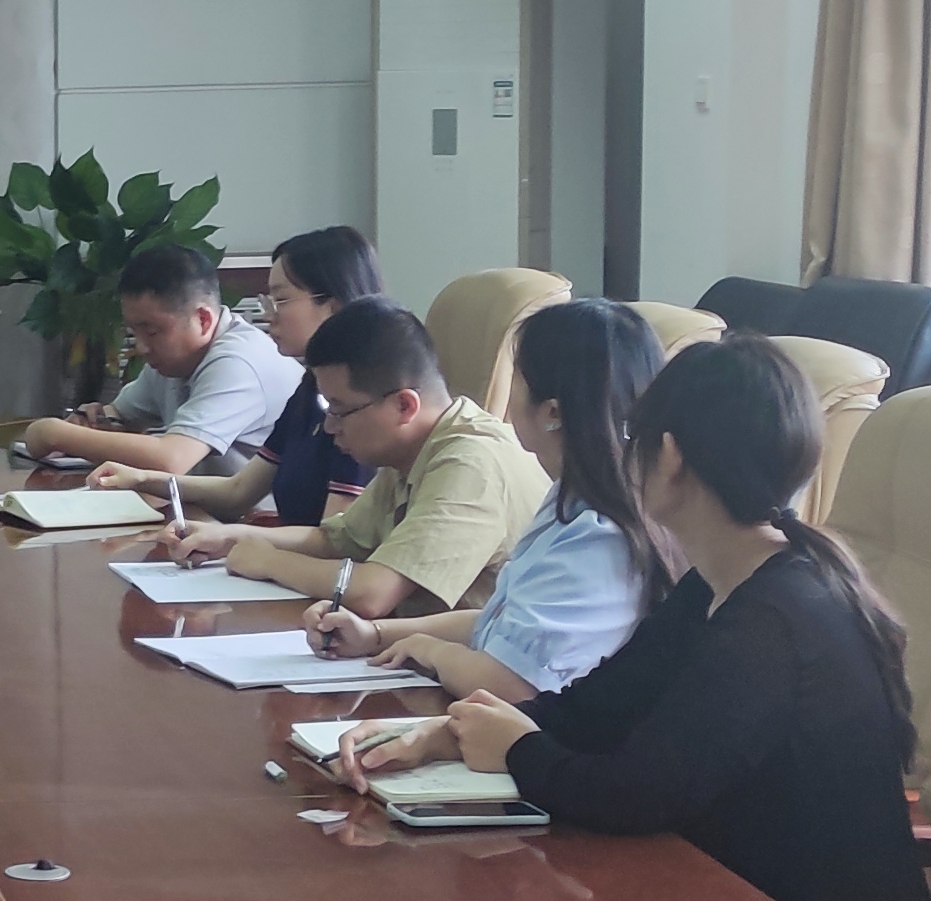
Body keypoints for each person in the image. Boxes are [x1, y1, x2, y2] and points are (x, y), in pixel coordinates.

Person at [350, 333, 931, 901]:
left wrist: (519, 751)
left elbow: (637, 794)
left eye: (636, 439)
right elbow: (600, 706)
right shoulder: (722, 581)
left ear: (671, 455)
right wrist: (453, 732)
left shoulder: (773, 622)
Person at [360, 297, 670, 699]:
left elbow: (509, 684)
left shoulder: (599, 536)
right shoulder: (577, 494)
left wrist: (431, 651)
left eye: (518, 379)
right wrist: (376, 634)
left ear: (552, 412)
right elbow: (501, 625)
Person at [212, 298, 547, 617]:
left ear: (404, 406)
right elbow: (336, 541)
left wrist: (269, 562)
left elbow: (372, 593)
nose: (330, 427)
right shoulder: (412, 449)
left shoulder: (472, 463)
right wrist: (231, 538)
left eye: (340, 409)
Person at [120, 225, 380, 528]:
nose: (268, 315)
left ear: (331, 307)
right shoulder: (309, 388)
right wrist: (139, 478)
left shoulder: (364, 401)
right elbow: (238, 491)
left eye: (280, 300)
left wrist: (231, 538)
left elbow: (334, 541)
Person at [10, 241, 299, 477]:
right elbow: (119, 415)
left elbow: (172, 459)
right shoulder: (173, 361)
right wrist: (95, 420)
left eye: (151, 331)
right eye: (133, 331)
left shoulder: (239, 362)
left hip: (263, 523)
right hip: (204, 514)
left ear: (202, 319)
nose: (141, 347)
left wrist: (54, 433)